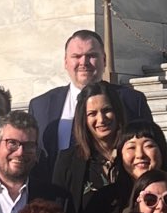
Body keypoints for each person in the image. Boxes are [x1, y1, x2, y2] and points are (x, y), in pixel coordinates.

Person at [51, 84, 132, 213]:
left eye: (107, 110)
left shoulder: (134, 155)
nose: (101, 119)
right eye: (92, 114)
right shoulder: (68, 161)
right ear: (83, 119)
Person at [29, 29, 155, 159]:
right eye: (76, 56)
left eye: (91, 56)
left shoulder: (132, 101)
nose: (84, 62)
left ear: (104, 60)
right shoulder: (40, 106)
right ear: (66, 62)